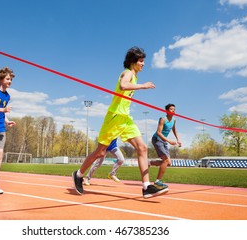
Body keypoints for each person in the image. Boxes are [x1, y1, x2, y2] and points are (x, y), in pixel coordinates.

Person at [73, 46, 166, 198]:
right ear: (133, 62)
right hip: (115, 117)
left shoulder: (134, 76)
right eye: (141, 61)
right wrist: (143, 86)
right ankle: (78, 174)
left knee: (142, 148)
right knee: (100, 152)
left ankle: (146, 187)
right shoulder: (128, 73)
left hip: (126, 119)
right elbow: (123, 85)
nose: (143, 64)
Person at [150, 103, 182, 191]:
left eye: (174, 109)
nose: (173, 111)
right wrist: (169, 141)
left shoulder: (174, 120)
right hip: (157, 139)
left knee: (168, 163)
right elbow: (159, 132)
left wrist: (178, 139)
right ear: (166, 111)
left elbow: (174, 129)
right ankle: (157, 181)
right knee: (166, 160)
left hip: (163, 141)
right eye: (171, 109)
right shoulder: (162, 119)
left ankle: (150, 163)